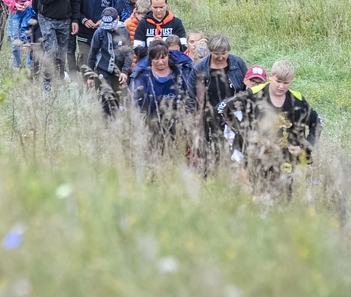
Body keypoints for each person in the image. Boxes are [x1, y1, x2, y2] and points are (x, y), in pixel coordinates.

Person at [220, 60, 322, 200]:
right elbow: (226, 110)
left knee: (283, 200)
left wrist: (304, 147)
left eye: (286, 83)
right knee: (256, 199)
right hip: (256, 157)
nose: (281, 86)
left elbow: (317, 123)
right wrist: (244, 132)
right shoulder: (253, 94)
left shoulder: (296, 100)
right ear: (270, 76)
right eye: (278, 81)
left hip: (285, 159)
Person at [195, 36, 251, 167]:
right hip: (209, 118)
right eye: (216, 54)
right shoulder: (201, 67)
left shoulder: (238, 64)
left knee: (235, 155)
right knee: (212, 155)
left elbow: (247, 88)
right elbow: (192, 95)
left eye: (224, 53)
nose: (220, 57)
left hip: (234, 118)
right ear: (210, 52)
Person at [130, 41, 197, 147]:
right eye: (156, 59)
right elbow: (135, 103)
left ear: (168, 56)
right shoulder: (142, 76)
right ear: (150, 59)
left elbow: (192, 96)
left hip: (179, 123)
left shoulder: (182, 71)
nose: (160, 62)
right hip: (152, 124)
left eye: (163, 57)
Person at [33, 0, 81, 89]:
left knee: (61, 54)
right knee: (51, 51)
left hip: (64, 18)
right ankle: (47, 83)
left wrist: (75, 19)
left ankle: (58, 81)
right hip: (47, 17)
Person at [86, 6, 134, 116]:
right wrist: (90, 76)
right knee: (105, 97)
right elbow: (92, 54)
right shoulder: (99, 33)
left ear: (117, 18)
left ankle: (117, 123)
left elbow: (128, 53)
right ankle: (106, 123)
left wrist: (125, 71)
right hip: (103, 69)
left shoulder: (123, 31)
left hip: (118, 71)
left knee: (117, 98)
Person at [77, 0, 114, 75]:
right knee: (86, 63)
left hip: (102, 35)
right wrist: (85, 20)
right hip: (84, 34)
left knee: (100, 64)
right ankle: (85, 88)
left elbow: (113, 13)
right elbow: (76, 11)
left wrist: (102, 21)